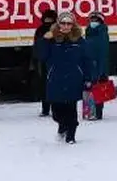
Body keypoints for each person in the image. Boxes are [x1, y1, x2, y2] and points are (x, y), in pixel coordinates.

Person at [36, 11, 91, 144]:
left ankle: (71, 135)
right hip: (55, 80)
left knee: (71, 109)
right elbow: (40, 55)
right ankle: (63, 126)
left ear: (73, 25)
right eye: (63, 23)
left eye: (69, 23)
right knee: (56, 112)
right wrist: (44, 40)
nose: (66, 26)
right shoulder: (51, 40)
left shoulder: (79, 40)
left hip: (73, 79)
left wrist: (88, 77)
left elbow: (87, 60)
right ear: (58, 24)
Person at [84, 11, 110, 120]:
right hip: (90, 66)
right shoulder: (89, 32)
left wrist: (100, 70)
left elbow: (102, 54)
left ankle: (97, 112)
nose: (93, 22)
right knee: (90, 89)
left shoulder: (102, 33)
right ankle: (90, 111)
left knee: (98, 88)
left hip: (99, 67)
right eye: (92, 20)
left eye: (95, 20)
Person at [33, 8, 58, 117]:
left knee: (45, 85)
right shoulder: (56, 29)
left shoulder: (40, 30)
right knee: (53, 85)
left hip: (44, 61)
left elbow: (36, 46)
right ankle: (52, 107)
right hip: (52, 61)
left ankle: (46, 108)